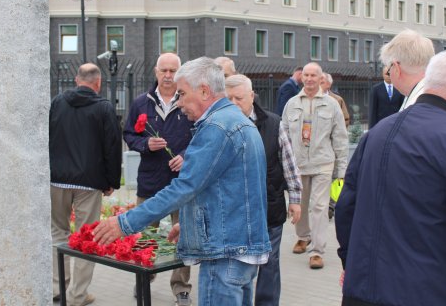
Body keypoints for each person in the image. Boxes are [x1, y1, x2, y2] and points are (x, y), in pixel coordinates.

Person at [94, 57, 271, 306]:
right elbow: (227, 189)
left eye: (182, 94)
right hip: (239, 249)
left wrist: (125, 223)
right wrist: (188, 224)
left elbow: (185, 187)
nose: (179, 102)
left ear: (204, 91)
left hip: (225, 253)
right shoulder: (236, 120)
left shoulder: (217, 127)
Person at [335, 49, 446, 306]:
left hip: (362, 289)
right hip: (429, 293)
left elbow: (346, 208)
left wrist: (351, 263)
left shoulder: (375, 134)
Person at [225, 74, 302, 306]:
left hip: (270, 206)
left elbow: (288, 163)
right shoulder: (219, 124)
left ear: (251, 96)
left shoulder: (273, 123)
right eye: (228, 98)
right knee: (239, 264)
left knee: (269, 262)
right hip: (234, 209)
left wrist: (296, 199)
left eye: (238, 98)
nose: (234, 103)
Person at [123, 53, 193, 306]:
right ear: (155, 72)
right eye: (163, 70)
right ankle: (144, 277)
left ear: (180, 72)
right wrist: (145, 144)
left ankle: (182, 288)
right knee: (146, 234)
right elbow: (129, 134)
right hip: (150, 181)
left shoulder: (189, 100)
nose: (168, 75)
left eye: (173, 70)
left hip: (181, 182)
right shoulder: (142, 102)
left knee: (185, 237)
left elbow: (201, 136)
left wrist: (186, 156)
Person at [49, 63, 122, 306]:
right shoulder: (103, 108)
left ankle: (58, 286)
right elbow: (112, 146)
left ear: (76, 80)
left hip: (57, 179)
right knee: (86, 237)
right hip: (89, 183)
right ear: (98, 83)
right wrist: (111, 181)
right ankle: (77, 295)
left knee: (57, 231)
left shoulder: (57, 102)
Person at [281, 62, 348, 269]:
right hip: (298, 165)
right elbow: (283, 136)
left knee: (319, 207)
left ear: (321, 79)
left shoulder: (332, 104)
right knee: (299, 205)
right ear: (302, 78)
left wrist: (342, 169)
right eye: (306, 75)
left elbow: (340, 138)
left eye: (314, 75)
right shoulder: (292, 103)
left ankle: (317, 251)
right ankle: (303, 236)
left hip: (323, 163)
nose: (309, 79)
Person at [378, 29, 435, 111]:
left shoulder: (415, 109)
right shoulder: (442, 96)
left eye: (389, 69)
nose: (389, 74)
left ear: (396, 68)